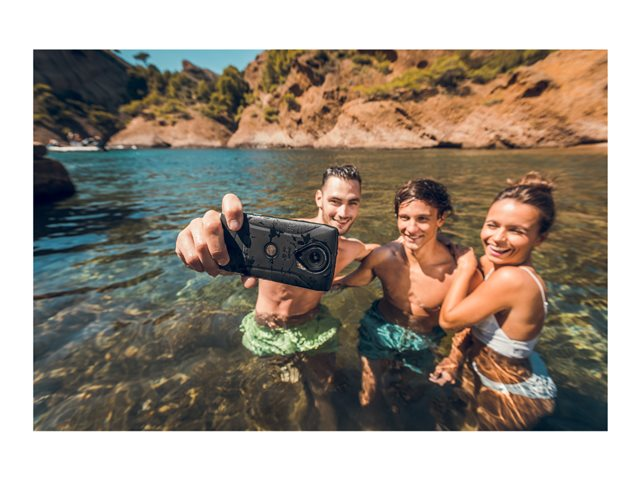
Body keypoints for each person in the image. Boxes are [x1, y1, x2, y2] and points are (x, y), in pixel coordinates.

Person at [175, 165, 378, 429]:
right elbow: (226, 248)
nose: (343, 212)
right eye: (335, 201)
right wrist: (201, 238)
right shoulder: (279, 238)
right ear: (319, 198)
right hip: (267, 330)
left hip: (316, 327)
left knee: (324, 394)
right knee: (273, 403)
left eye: (353, 203)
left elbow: (375, 253)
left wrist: (343, 281)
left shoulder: (351, 248)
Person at [333, 178, 479, 420]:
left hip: (424, 340)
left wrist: (454, 359)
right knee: (370, 398)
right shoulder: (384, 256)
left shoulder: (458, 272)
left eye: (422, 219)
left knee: (413, 399)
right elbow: (355, 279)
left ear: (440, 219)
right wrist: (321, 283)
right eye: (404, 218)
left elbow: (471, 323)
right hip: (378, 329)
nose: (411, 228)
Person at [429, 171, 557, 431]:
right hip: (486, 373)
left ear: (540, 239)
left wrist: (465, 268)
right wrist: (454, 358)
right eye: (492, 225)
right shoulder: (491, 264)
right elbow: (472, 322)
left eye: (516, 230)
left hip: (512, 394)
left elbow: (449, 320)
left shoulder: (514, 279)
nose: (497, 238)